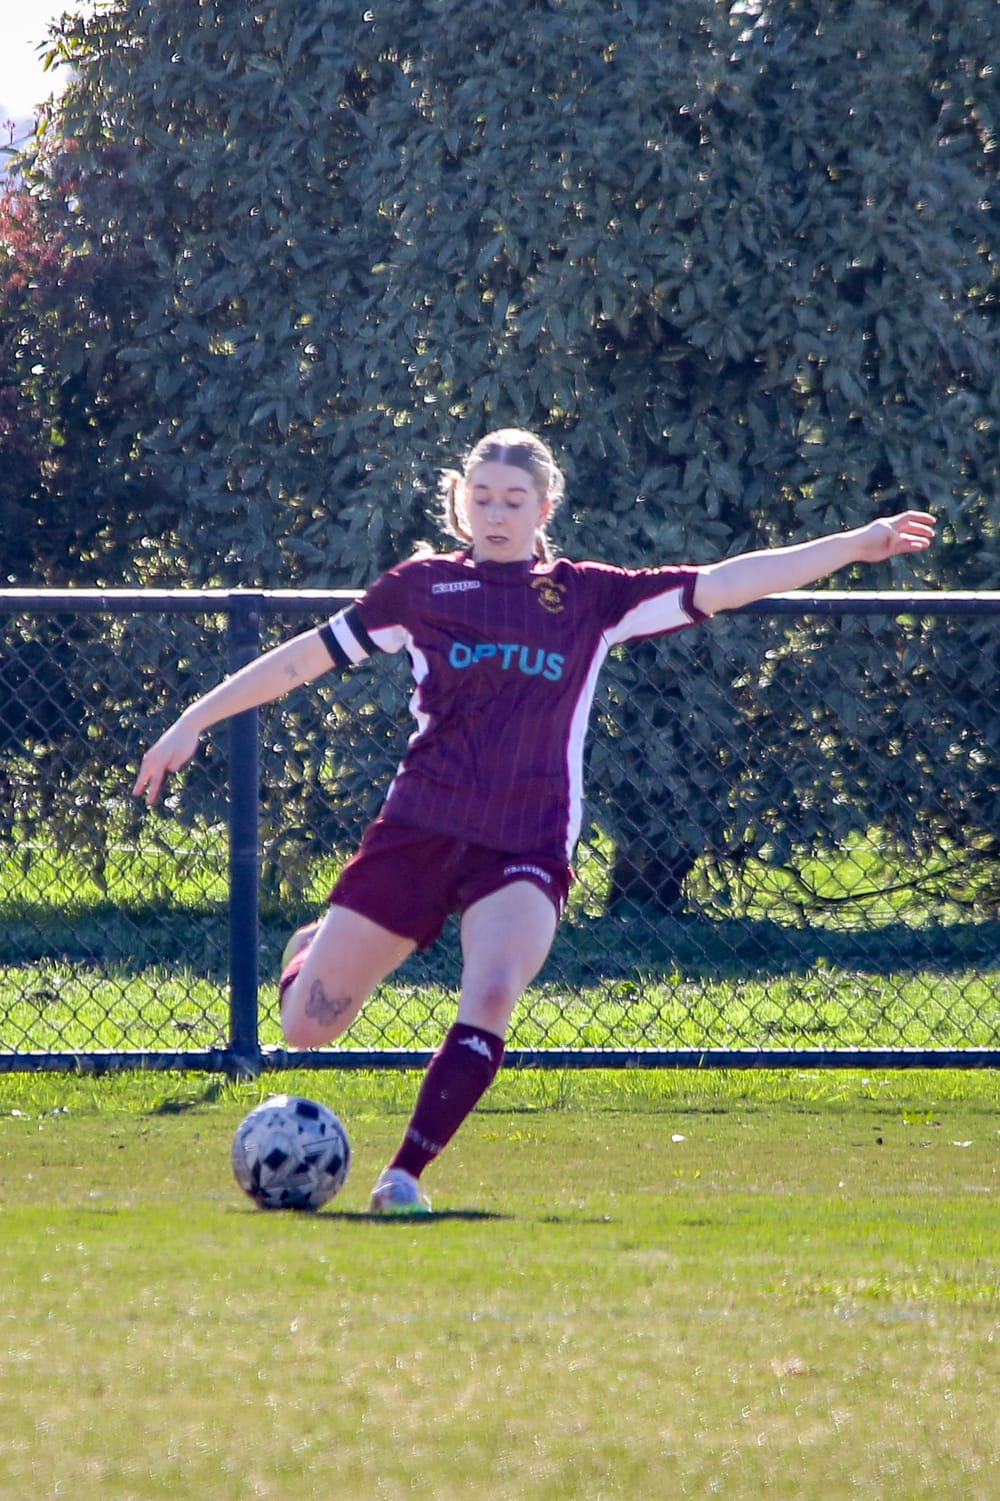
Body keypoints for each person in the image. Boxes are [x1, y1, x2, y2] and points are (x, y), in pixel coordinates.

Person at [133, 428, 936, 1213]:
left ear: (545, 506)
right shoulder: (420, 588)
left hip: (525, 843)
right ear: (459, 505)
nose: (496, 512)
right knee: (306, 1031)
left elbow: (724, 582)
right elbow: (300, 659)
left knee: (489, 993)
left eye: (514, 499)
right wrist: (193, 720)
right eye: (480, 497)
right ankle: (310, 949)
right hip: (420, 827)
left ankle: (404, 1175)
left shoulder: (588, 597)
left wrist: (851, 545)